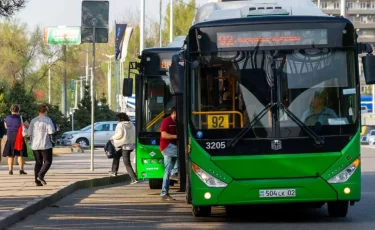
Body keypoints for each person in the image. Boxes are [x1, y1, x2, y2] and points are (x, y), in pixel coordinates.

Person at [27, 104, 55, 186]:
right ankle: (41, 175)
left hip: (35, 145)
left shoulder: (33, 120)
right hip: (45, 144)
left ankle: (37, 181)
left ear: (38, 111)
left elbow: (29, 133)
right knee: (48, 161)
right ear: (46, 112)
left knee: (38, 162)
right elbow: (51, 131)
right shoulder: (48, 120)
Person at [109, 112, 138, 184]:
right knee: (117, 155)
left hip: (125, 146)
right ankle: (113, 171)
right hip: (131, 145)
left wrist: (112, 138)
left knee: (127, 163)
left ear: (119, 119)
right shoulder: (131, 124)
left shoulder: (120, 125)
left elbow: (119, 134)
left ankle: (134, 179)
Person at [3, 104, 29, 175]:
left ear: (11, 110)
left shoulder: (6, 118)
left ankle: (10, 170)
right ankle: (21, 170)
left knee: (10, 155)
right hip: (19, 137)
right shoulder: (21, 118)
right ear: (18, 110)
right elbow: (28, 125)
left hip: (10, 137)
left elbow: (6, 127)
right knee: (20, 154)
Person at [160, 107, 178, 201]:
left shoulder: (178, 121)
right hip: (167, 147)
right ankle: (174, 172)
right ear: (174, 112)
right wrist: (177, 136)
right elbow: (164, 135)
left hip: (173, 147)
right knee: (184, 153)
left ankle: (164, 193)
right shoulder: (167, 121)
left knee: (167, 171)